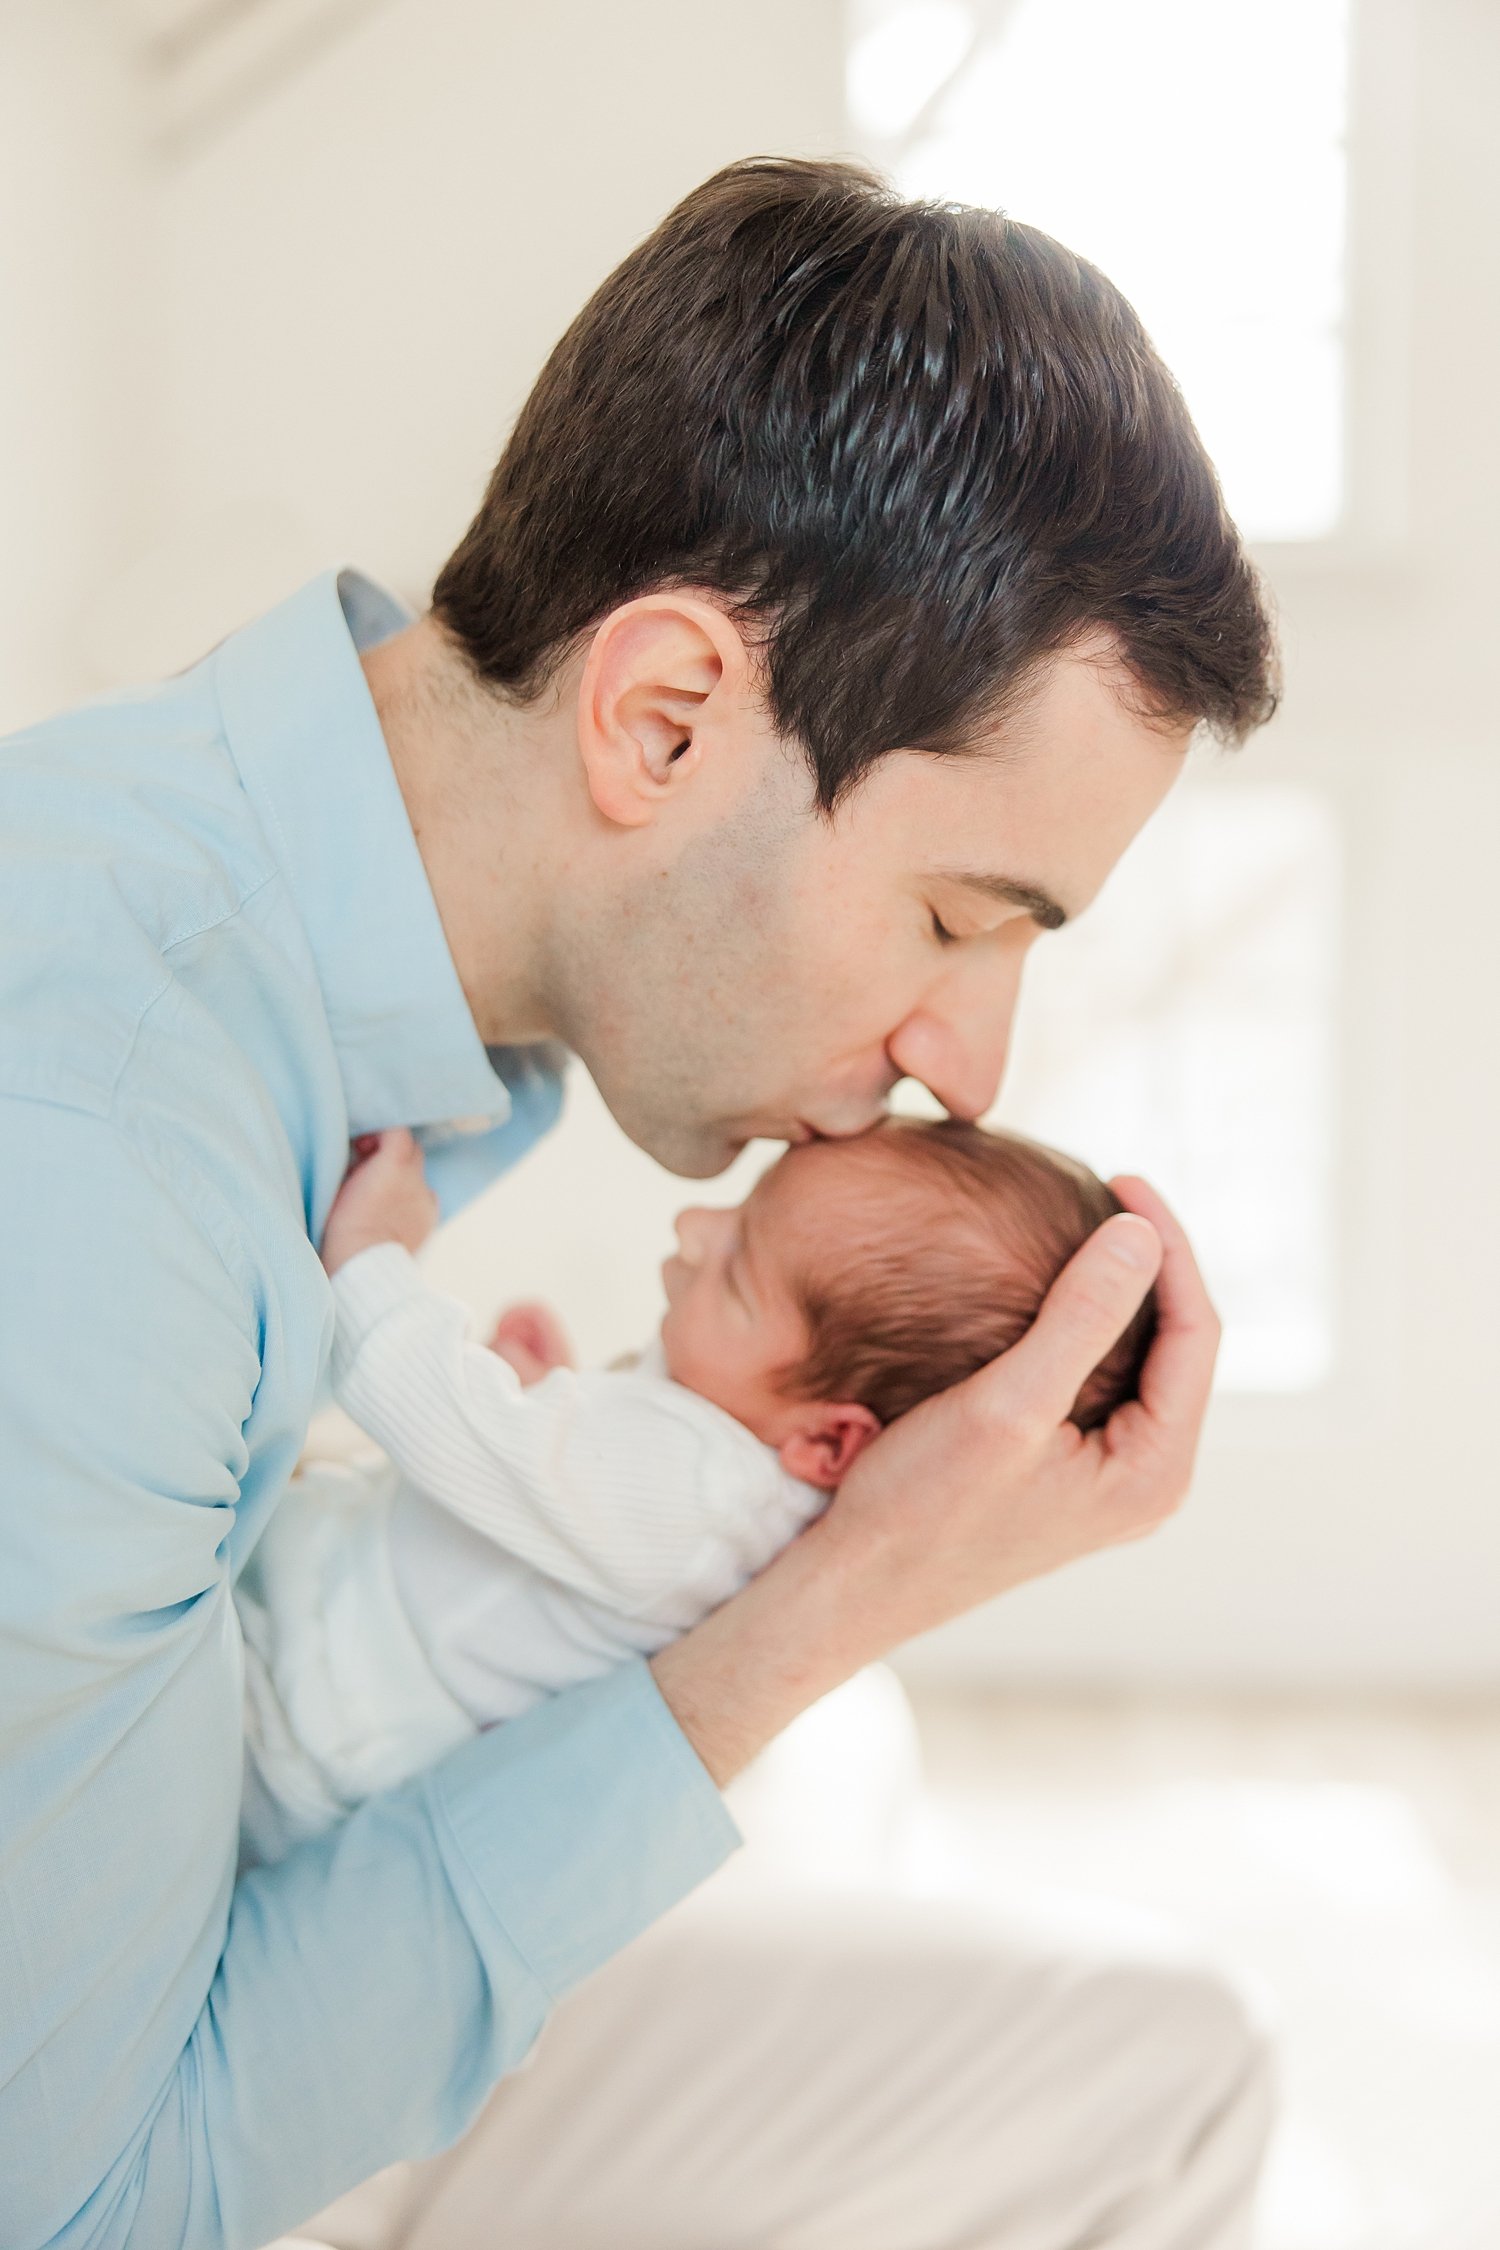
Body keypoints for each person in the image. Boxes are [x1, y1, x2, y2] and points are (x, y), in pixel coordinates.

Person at [0, 156, 1278, 2249]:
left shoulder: (283, 957)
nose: (974, 1065)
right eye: (965, 916)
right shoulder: (88, 1137)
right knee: (1150, 2077)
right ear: (663, 718)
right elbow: (90, 2195)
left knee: (985, 1906)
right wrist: (832, 1604)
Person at [238, 1117, 1156, 1867]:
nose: (694, 1228)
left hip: (299, 1710)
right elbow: (574, 1523)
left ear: (832, 1439)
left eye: (738, 1271)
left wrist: (371, 1254)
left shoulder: (695, 1491)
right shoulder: (751, 1474)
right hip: (335, 1669)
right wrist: (552, 1403)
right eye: (743, 1207)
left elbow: (432, 1414)